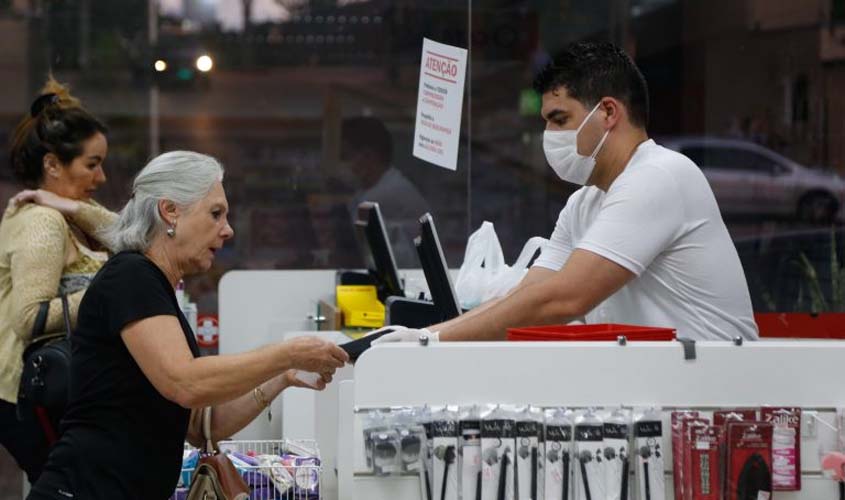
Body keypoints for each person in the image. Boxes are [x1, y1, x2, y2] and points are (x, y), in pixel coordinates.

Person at [376, 41, 758, 342]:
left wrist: (433, 339)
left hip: (716, 401)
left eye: (561, 119)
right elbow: (525, 296)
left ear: (608, 113)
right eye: (546, 123)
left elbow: (563, 299)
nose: (551, 136)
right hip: (663, 395)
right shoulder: (585, 202)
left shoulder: (659, 176)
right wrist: (423, 336)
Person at [26, 151, 350, 500]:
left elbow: (203, 426)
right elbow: (185, 382)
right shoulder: (131, 277)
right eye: (215, 214)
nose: (228, 230)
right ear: (170, 211)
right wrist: (287, 353)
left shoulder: (155, 286)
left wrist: (281, 378)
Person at [0, 77, 115, 483]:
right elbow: (28, 317)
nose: (101, 177)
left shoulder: (67, 213)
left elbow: (133, 239)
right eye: (92, 164)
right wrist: (108, 296)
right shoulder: (43, 223)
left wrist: (67, 203)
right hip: (36, 395)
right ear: (52, 164)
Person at [342, 116, 431, 267]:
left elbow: (350, 242)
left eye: (347, 156)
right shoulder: (378, 187)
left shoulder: (386, 194)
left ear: (367, 156)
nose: (346, 165)